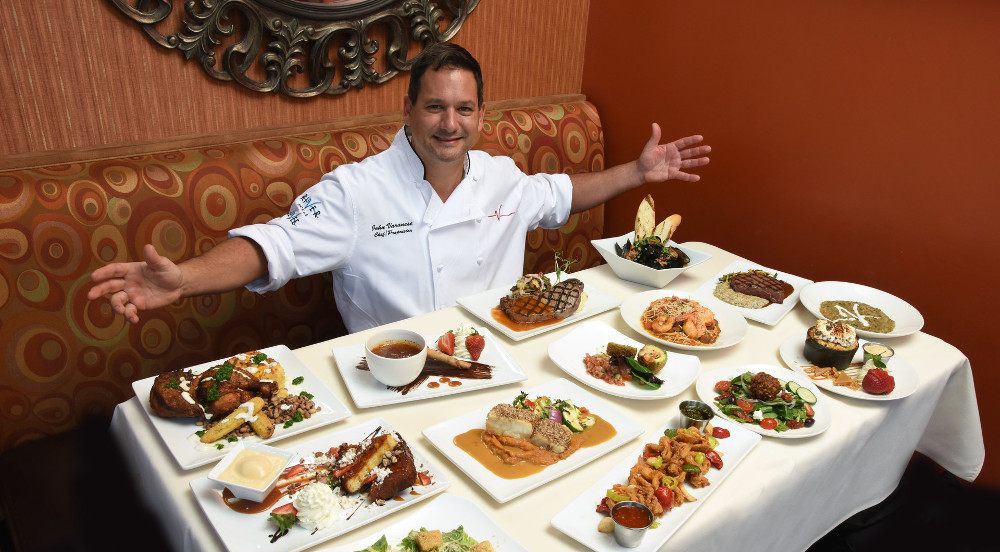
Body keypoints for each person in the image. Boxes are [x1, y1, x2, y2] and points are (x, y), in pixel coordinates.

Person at [88, 43, 710, 333]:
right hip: (392, 377)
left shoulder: (502, 178)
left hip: (498, 358)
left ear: (481, 116)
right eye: (436, 108)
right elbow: (270, 247)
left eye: (464, 109)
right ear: (408, 109)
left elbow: (563, 194)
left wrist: (637, 172)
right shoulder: (355, 192)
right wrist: (185, 279)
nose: (450, 124)